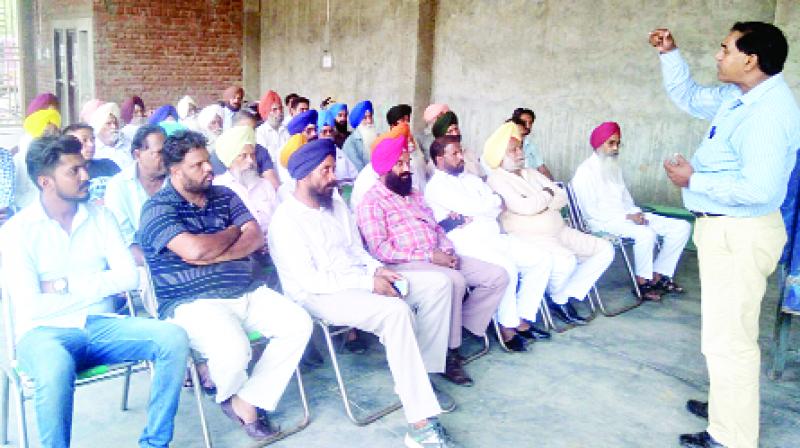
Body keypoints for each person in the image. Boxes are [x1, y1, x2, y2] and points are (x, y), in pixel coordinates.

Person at [651, 23, 800, 448]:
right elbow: (690, 97)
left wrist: (695, 179)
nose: (718, 55)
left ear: (750, 60)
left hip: (742, 231)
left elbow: (762, 190)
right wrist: (669, 54)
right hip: (725, 229)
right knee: (721, 333)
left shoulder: (768, 114)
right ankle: (724, 406)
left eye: (725, 48)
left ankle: (731, 437)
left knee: (731, 340)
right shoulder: (742, 96)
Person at [268, 138, 462, 448]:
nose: (334, 177)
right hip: (319, 295)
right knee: (395, 312)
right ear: (303, 175)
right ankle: (420, 423)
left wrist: (377, 270)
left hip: (356, 280)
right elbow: (310, 280)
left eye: (333, 168)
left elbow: (357, 252)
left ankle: (418, 377)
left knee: (439, 285)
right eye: (326, 170)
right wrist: (368, 283)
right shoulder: (286, 221)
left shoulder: (335, 205)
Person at [1, 135, 189, 448]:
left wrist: (63, 286)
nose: (86, 176)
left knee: (173, 338)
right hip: (42, 334)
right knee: (55, 367)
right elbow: (31, 306)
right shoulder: (16, 232)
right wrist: (98, 283)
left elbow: (130, 277)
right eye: (74, 171)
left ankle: (155, 443)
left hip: (101, 323)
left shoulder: (102, 217)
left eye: (84, 167)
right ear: (45, 181)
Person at [138, 130, 312, 440]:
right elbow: (194, 251)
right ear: (176, 170)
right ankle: (228, 390)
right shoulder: (157, 208)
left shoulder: (225, 195)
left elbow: (255, 236)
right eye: (198, 165)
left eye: (208, 162)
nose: (209, 169)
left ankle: (247, 399)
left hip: (246, 290)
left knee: (299, 324)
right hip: (192, 302)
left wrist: (215, 250)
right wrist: (232, 234)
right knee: (234, 352)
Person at [357, 134, 508, 386]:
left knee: (497, 276)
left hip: (437, 255)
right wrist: (430, 256)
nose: (407, 169)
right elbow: (381, 250)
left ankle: (457, 329)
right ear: (384, 169)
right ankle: (448, 354)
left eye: (407, 163)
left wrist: (447, 250)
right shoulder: (371, 202)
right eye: (400, 165)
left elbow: (437, 228)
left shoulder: (415, 194)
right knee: (454, 282)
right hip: (404, 264)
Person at [425, 135, 553, 351]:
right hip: (466, 243)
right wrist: (484, 205)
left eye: (461, 152)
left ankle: (523, 318)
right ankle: (507, 327)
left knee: (541, 260)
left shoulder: (471, 179)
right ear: (439, 159)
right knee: (507, 268)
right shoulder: (436, 187)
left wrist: (482, 207)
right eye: (454, 154)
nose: (460, 157)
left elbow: (497, 203)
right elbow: (480, 205)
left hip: (493, 235)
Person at [483, 121, 614, 326]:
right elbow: (524, 207)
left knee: (605, 250)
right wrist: (545, 196)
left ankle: (563, 296)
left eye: (520, 148)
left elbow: (561, 196)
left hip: (560, 230)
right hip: (531, 237)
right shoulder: (496, 179)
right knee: (566, 261)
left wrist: (540, 201)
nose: (520, 153)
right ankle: (558, 298)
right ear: (500, 155)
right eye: (513, 150)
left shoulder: (531, 173)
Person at [571, 121, 691, 301]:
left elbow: (626, 199)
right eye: (611, 143)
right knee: (646, 234)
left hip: (627, 217)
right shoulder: (584, 172)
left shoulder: (613, 168)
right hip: (602, 222)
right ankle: (642, 283)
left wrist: (637, 214)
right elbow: (590, 211)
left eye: (618, 143)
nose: (615, 148)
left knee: (681, 227)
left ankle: (658, 275)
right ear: (598, 144)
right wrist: (627, 216)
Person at [104, 124, 168, 254]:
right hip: (141, 263)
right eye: (160, 153)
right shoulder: (118, 186)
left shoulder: (177, 179)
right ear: (137, 155)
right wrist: (156, 265)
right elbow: (123, 240)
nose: (167, 157)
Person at [212, 125, 278, 241]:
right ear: (230, 161)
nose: (251, 161)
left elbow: (280, 219)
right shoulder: (218, 187)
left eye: (252, 155)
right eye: (243, 156)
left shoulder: (265, 185)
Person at [210, 111, 280, 190]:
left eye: (252, 129)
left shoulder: (260, 150)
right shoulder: (217, 154)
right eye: (244, 129)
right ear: (233, 129)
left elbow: (273, 184)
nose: (249, 133)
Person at [63, 124, 120, 204]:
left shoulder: (108, 165)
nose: (91, 145)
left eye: (92, 139)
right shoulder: (65, 173)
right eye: (84, 140)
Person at [15, 109, 61, 209]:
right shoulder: (20, 159)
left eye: (55, 131)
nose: (53, 135)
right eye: (46, 131)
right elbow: (18, 194)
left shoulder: (58, 154)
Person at [255, 89, 291, 183]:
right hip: (269, 178)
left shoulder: (286, 130)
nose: (279, 112)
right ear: (266, 112)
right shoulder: (260, 132)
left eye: (280, 108)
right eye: (274, 110)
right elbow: (263, 161)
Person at [511, 108, 554, 180]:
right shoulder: (506, 144)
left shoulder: (531, 145)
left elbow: (543, 169)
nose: (527, 126)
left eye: (530, 123)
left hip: (531, 186)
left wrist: (554, 185)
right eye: (523, 122)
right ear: (515, 123)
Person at [90, 102, 133, 170]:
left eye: (115, 123)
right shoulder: (93, 149)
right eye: (108, 123)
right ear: (99, 127)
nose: (114, 127)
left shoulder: (127, 143)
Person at [318, 109, 358, 181]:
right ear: (318, 133)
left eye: (330, 131)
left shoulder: (339, 152)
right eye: (324, 132)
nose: (328, 134)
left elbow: (354, 174)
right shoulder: (312, 153)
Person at [341, 100, 378, 172]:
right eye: (365, 118)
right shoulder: (351, 143)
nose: (369, 121)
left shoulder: (377, 137)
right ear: (358, 122)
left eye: (370, 116)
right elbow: (359, 170)